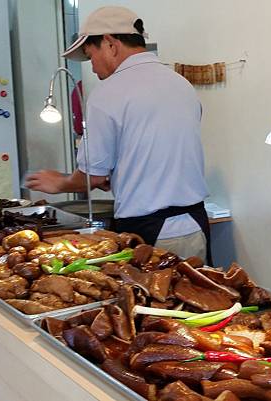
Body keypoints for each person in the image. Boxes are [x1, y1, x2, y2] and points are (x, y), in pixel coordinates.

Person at [26, 6, 211, 263]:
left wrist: (60, 183)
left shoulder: (107, 93)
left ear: (110, 43)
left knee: (150, 302)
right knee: (202, 299)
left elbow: (91, 176)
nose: (92, 68)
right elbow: (161, 149)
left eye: (91, 56)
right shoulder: (181, 84)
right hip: (196, 225)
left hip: (149, 232)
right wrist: (124, 172)